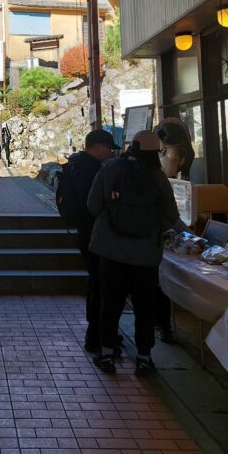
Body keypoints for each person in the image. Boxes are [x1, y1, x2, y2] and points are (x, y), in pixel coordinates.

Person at [87, 130, 179, 377]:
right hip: (145, 256)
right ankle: (144, 357)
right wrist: (152, 229)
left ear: (132, 147)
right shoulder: (158, 178)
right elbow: (171, 216)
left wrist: (110, 222)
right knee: (144, 306)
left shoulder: (110, 169)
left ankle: (107, 354)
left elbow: (93, 204)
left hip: (112, 251)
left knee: (110, 303)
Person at [65, 129, 121, 352]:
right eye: (108, 149)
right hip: (94, 234)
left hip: (85, 232)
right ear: (97, 147)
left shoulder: (76, 164)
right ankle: (97, 336)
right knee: (102, 285)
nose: (110, 154)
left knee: (96, 283)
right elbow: (94, 205)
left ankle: (98, 332)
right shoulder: (91, 170)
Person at [153, 117, 195, 343]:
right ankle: (160, 324)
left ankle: (161, 324)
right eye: (172, 156)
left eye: (181, 157)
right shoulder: (153, 180)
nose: (177, 163)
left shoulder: (175, 181)